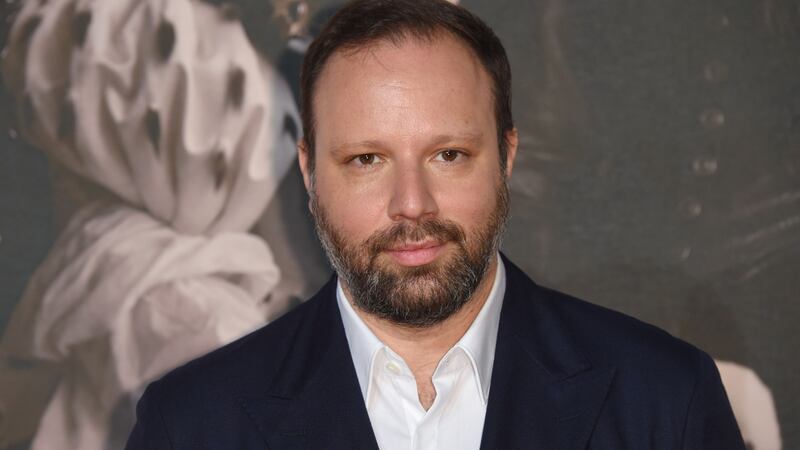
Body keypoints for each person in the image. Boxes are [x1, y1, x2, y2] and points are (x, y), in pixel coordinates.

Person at [126, 0, 746, 448]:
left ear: (506, 156)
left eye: (447, 155)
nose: (412, 204)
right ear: (310, 172)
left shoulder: (665, 399)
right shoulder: (191, 424)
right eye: (367, 160)